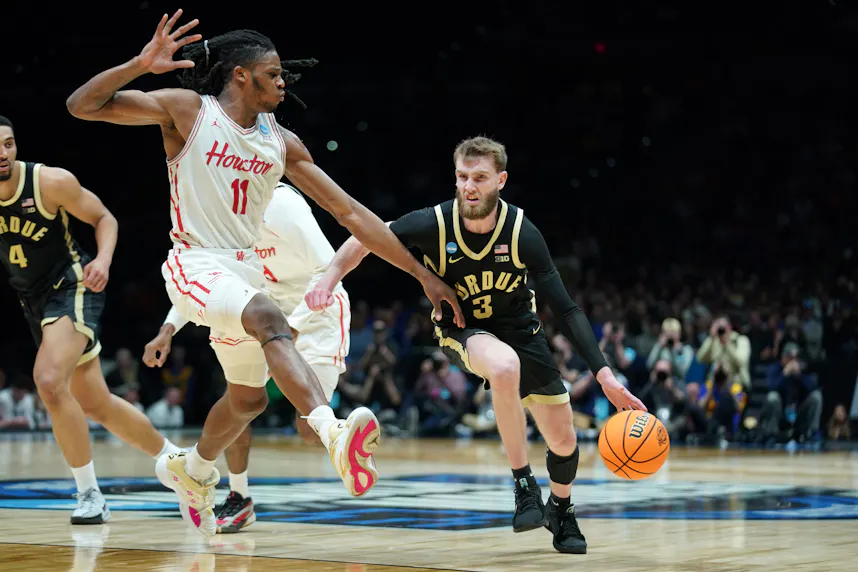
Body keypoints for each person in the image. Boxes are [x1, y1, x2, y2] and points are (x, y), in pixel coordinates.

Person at [65, 10, 464, 537]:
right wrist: (140, 65)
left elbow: (352, 214)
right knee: (270, 319)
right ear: (241, 75)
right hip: (195, 260)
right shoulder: (189, 111)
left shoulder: (281, 141)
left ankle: (192, 468)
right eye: (273, 73)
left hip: (245, 272)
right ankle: (333, 432)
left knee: (247, 400)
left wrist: (421, 274)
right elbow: (82, 106)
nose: (283, 82)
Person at [304, 135, 646, 554]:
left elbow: (567, 309)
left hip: (522, 332)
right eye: (462, 177)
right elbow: (367, 235)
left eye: (480, 178)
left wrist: (605, 374)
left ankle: (561, 509)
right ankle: (524, 485)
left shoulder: (521, 232)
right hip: (463, 329)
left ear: (501, 180)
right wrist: (328, 280)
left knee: (564, 441)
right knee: (503, 366)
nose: (469, 186)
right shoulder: (435, 223)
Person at [0, 115, 183, 524]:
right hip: (32, 301)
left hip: (73, 285)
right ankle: (177, 461)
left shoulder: (49, 182)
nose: (3, 153)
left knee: (49, 381)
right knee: (96, 403)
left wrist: (102, 260)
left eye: (8, 143)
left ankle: (90, 495)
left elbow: (104, 218)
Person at [142, 182, 352, 534]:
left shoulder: (282, 204)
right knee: (243, 398)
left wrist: (291, 329)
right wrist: (168, 327)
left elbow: (327, 269)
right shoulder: (222, 216)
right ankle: (238, 495)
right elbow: (207, 275)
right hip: (262, 305)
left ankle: (191, 467)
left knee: (308, 428)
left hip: (316, 305)